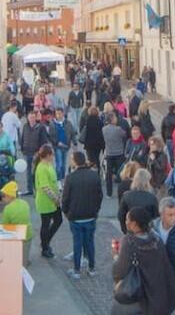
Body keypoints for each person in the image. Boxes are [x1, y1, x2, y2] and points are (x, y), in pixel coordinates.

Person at [111, 206, 175, 315]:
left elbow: (120, 270)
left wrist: (115, 257)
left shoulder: (129, 242)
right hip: (158, 296)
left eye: (128, 219)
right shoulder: (156, 239)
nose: (126, 222)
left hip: (139, 297)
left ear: (134, 223)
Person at [62, 150, 104, 279]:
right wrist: (95, 210)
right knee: (90, 242)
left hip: (75, 216)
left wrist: (67, 212)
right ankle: (91, 268)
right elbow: (99, 196)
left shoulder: (70, 178)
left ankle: (77, 270)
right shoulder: (94, 176)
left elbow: (65, 199)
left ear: (74, 161)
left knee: (77, 242)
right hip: (90, 215)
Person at [34, 145, 62, 259]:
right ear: (48, 155)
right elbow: (45, 187)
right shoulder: (41, 168)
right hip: (46, 201)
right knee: (46, 224)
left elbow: (54, 180)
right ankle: (45, 247)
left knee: (58, 221)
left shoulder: (48, 165)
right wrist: (56, 198)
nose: (53, 157)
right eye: (52, 154)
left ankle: (46, 241)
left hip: (53, 199)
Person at [0, 181, 33, 266]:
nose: (2, 199)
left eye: (3, 196)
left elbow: (4, 226)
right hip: (28, 235)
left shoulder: (8, 209)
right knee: (24, 257)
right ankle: (25, 262)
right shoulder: (24, 203)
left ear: (9, 196)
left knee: (17, 264)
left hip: (17, 237)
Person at [20, 111, 51, 196]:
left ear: (36, 118)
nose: (32, 119)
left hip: (36, 154)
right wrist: (22, 148)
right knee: (28, 172)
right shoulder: (25, 126)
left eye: (33, 117)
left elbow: (44, 141)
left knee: (36, 173)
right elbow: (22, 138)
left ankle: (37, 190)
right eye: (30, 117)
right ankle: (29, 189)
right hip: (27, 152)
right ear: (28, 118)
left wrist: (39, 152)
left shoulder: (41, 127)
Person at [103, 113, 129, 197]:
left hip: (109, 153)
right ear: (113, 120)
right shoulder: (118, 129)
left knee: (109, 173)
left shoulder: (104, 129)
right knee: (121, 173)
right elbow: (124, 135)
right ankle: (122, 191)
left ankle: (109, 193)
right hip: (119, 153)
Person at [51, 107, 75, 180]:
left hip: (66, 146)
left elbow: (72, 133)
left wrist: (75, 143)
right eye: (57, 114)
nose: (58, 115)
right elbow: (51, 136)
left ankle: (63, 178)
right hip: (57, 146)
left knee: (64, 164)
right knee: (59, 164)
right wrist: (57, 142)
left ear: (63, 113)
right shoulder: (52, 124)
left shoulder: (68, 123)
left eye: (60, 113)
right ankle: (58, 179)